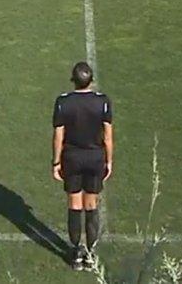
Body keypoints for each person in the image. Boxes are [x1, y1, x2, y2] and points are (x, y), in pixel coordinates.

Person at [52, 62, 113, 271]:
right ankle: (90, 253)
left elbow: (59, 135)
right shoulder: (102, 102)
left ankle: (76, 251)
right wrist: (109, 160)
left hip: (72, 157)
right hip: (95, 157)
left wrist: (56, 162)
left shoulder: (63, 102)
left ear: (73, 80)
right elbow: (108, 136)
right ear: (91, 81)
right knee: (91, 205)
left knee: (74, 204)